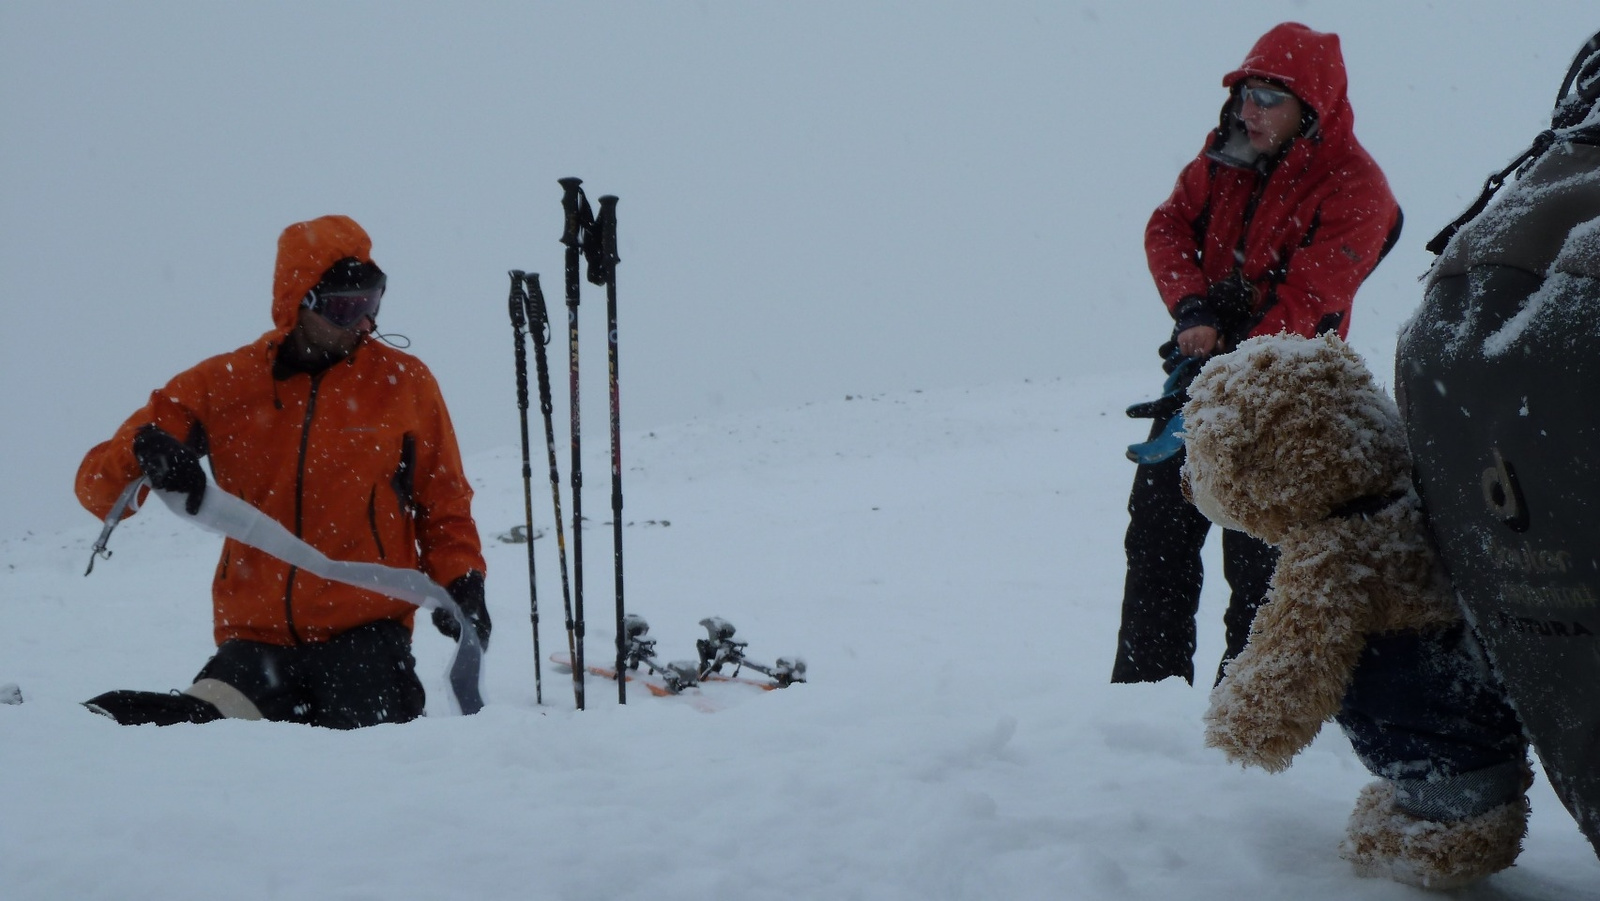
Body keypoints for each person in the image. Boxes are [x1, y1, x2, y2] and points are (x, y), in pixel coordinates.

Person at [75, 215, 491, 729]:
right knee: (187, 739)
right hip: (255, 641)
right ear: (301, 302)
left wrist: (464, 581)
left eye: (372, 302)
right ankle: (62, 730)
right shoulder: (223, 385)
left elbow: (443, 499)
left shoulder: (404, 384)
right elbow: (95, 488)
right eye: (346, 307)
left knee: (370, 772)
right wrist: (143, 450)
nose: (364, 323)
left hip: (364, 637)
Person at [1112, 22, 1403, 686]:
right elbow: (1167, 225)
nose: (1250, 111)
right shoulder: (1227, 157)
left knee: (1260, 565)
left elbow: (1315, 296)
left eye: (1270, 97)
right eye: (1246, 94)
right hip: (1200, 385)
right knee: (1158, 534)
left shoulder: (1357, 186)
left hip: (1284, 400)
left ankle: (1246, 722)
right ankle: (1141, 705)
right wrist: (1193, 308)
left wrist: (1234, 348)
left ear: (1314, 104)